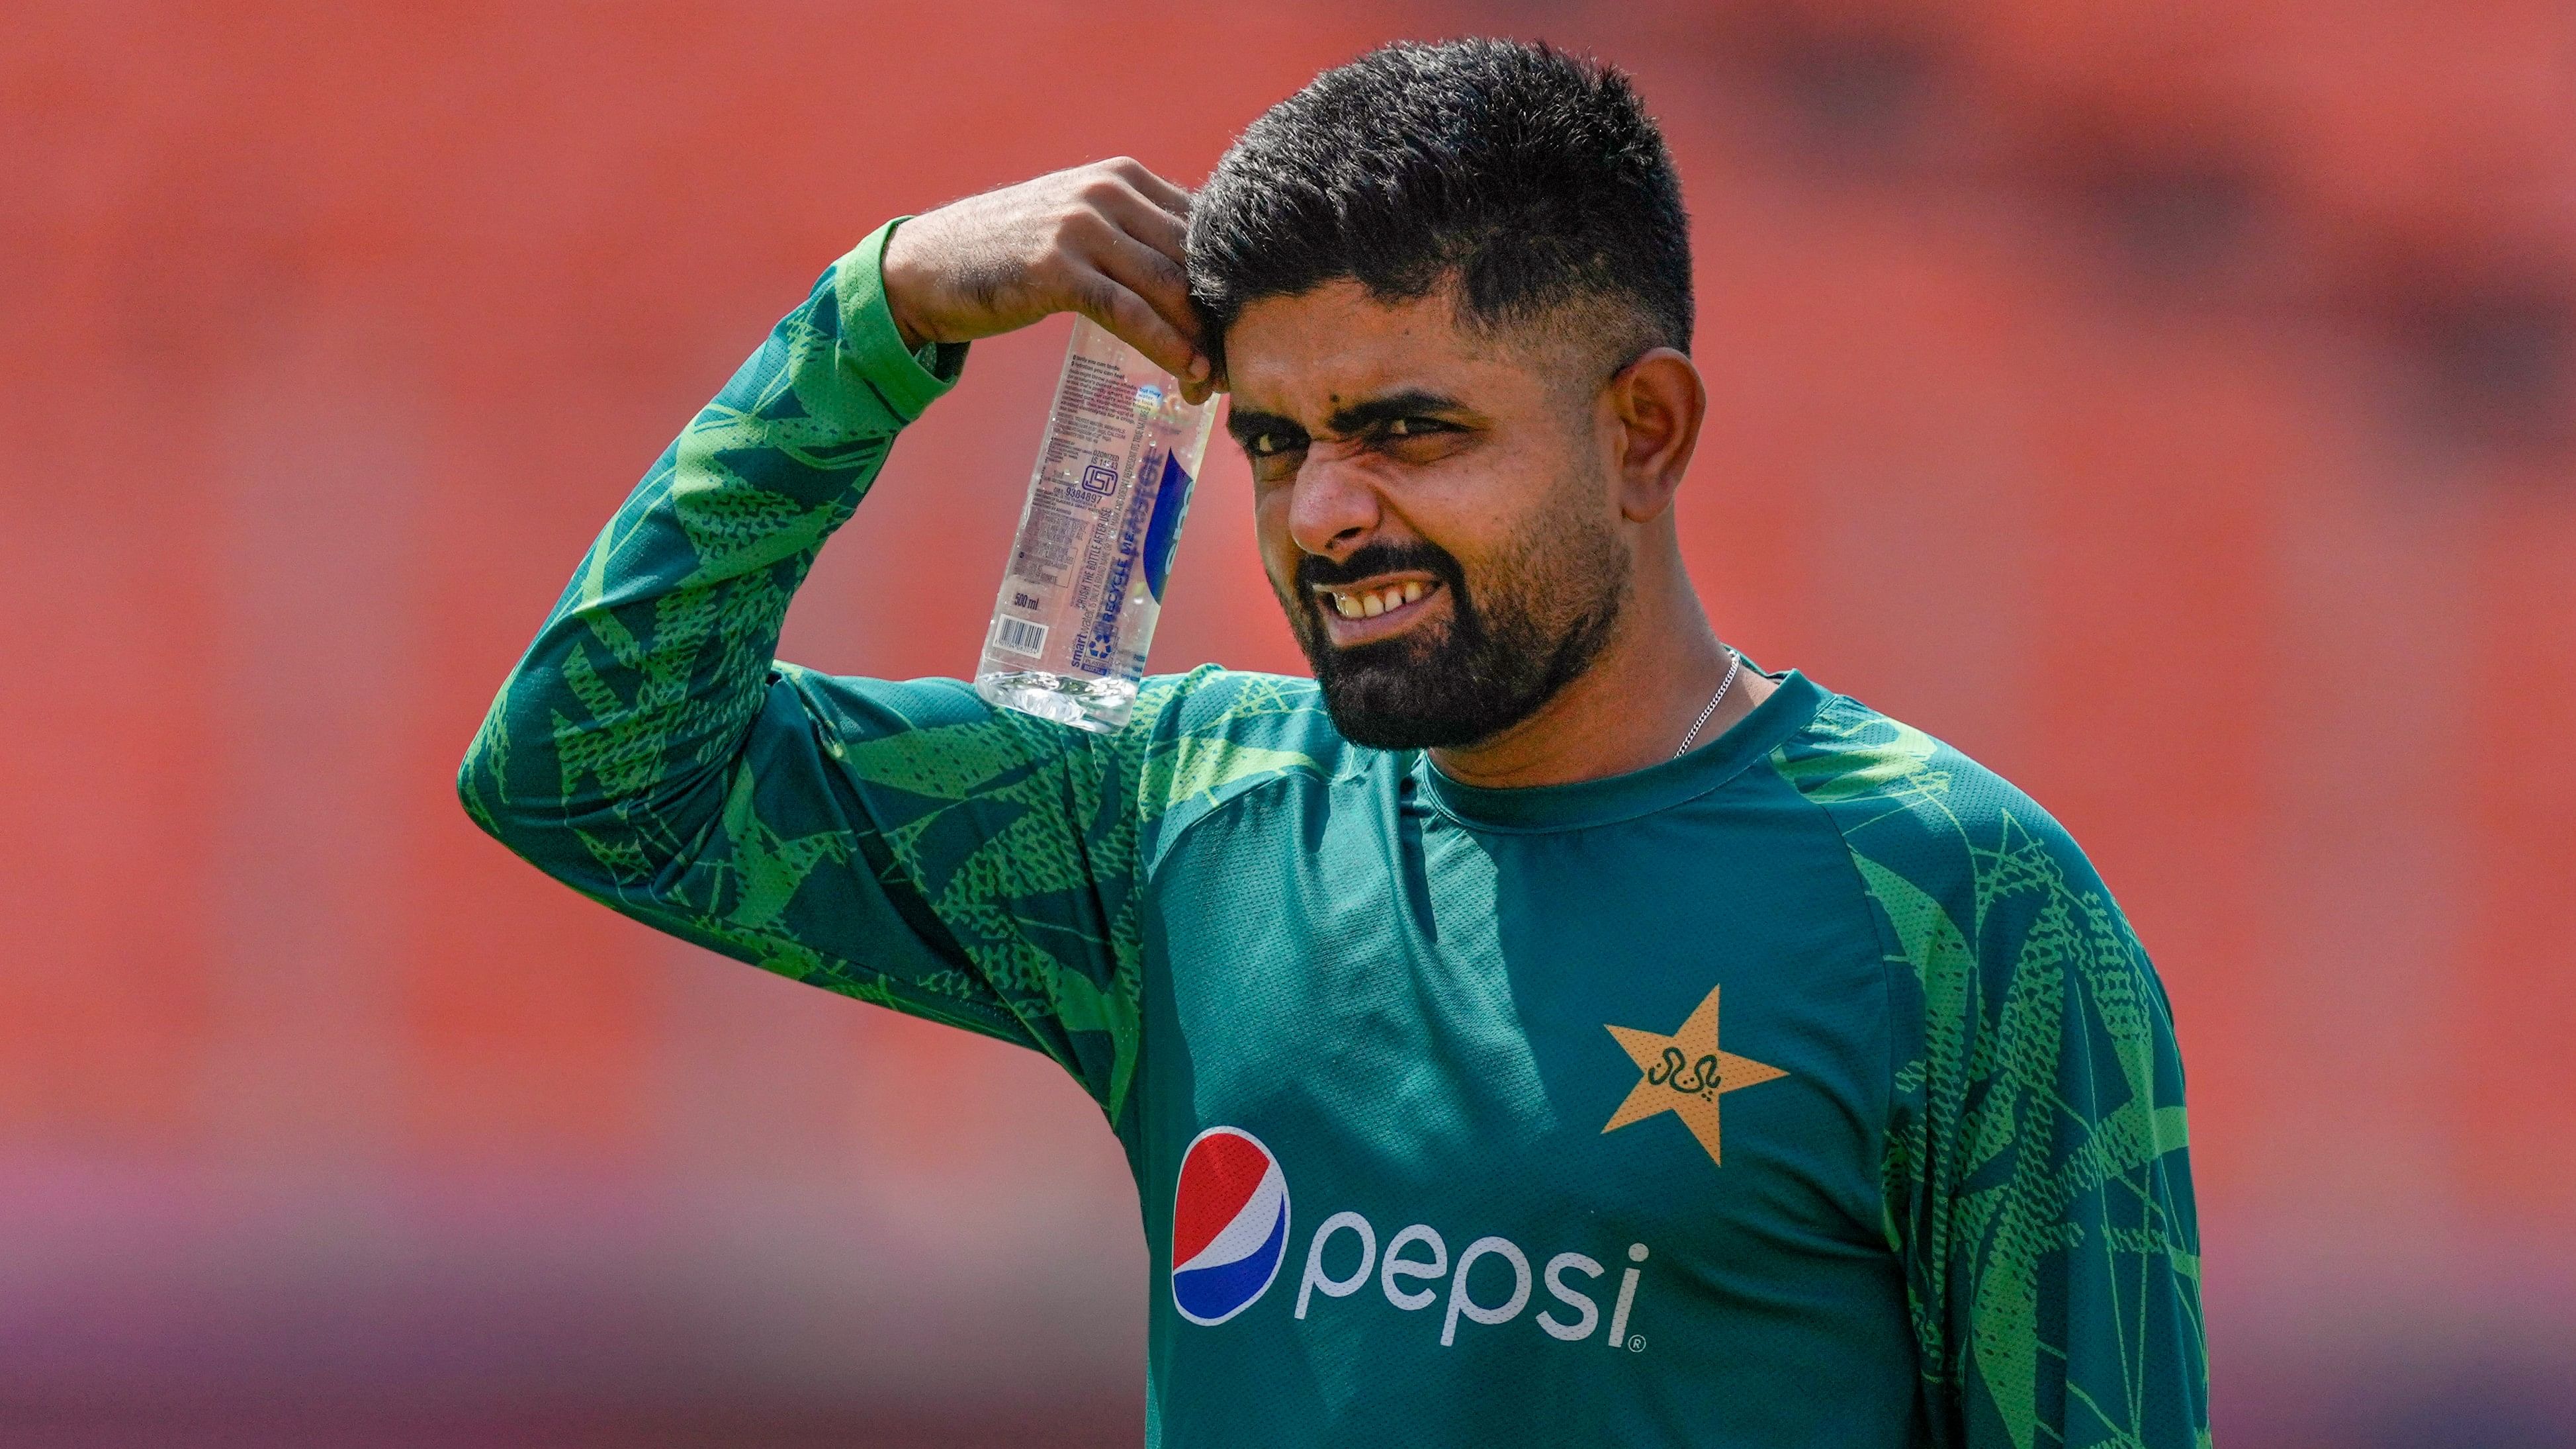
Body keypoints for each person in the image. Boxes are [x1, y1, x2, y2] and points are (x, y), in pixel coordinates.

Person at [459, 37, 2207, 1448]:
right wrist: (877, 315)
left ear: (1643, 432)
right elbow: (591, 776)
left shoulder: (1961, 906)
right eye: (1280, 444)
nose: (1327, 515)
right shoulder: (1175, 812)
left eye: (1409, 432)